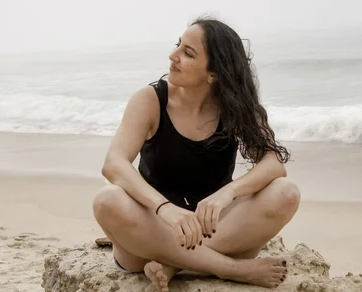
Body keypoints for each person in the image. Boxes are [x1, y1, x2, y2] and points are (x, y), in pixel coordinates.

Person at [92, 16, 301, 292]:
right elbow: (114, 164)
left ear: (213, 73)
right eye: (178, 45)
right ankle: (229, 268)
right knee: (107, 200)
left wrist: (229, 192)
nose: (173, 56)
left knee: (285, 193)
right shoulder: (151, 100)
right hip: (153, 227)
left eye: (187, 53)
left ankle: (174, 264)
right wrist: (164, 209)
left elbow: (273, 163)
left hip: (214, 229)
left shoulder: (235, 107)